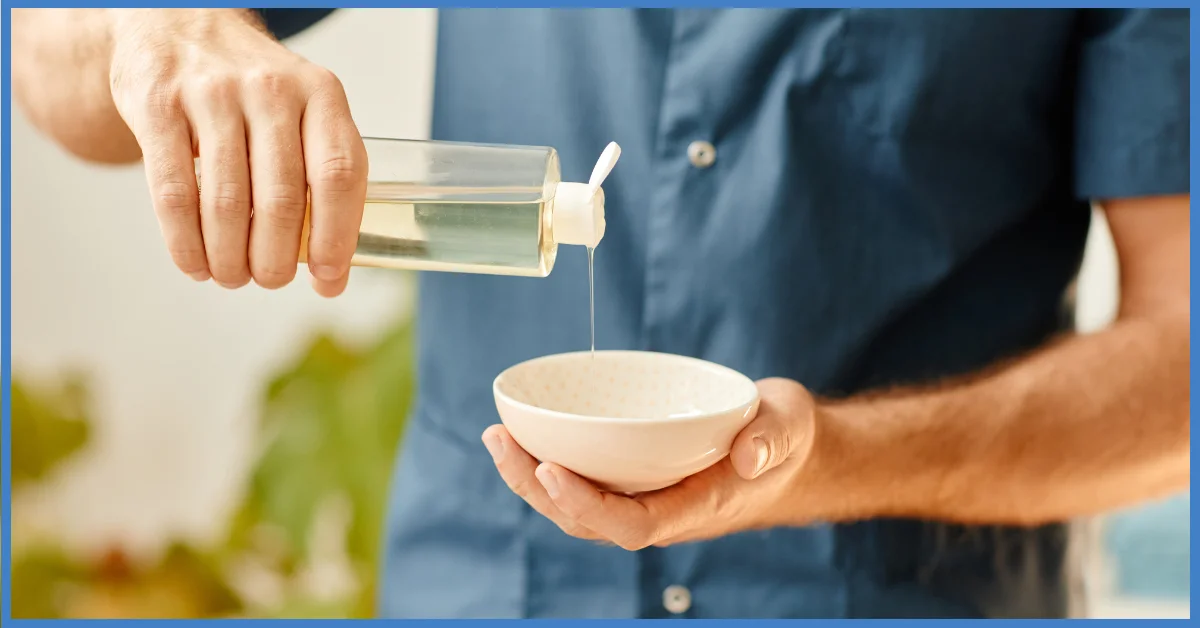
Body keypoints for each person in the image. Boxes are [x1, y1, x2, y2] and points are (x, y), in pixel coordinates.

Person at [13, 7, 1189, 619]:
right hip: (482, 589)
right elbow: (47, 55)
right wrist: (150, 33)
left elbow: (1178, 371)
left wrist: (830, 456)